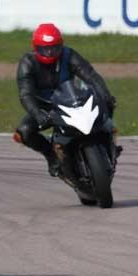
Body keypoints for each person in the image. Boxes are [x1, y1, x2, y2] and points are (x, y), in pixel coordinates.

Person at [15, 23, 117, 176]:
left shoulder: (68, 55)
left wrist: (105, 94)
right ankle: (51, 156)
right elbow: (25, 94)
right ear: (35, 47)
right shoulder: (27, 63)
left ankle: (109, 144)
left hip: (71, 100)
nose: (49, 52)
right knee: (24, 131)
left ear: (61, 45)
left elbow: (90, 75)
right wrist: (37, 113)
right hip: (46, 107)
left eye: (54, 48)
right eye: (45, 49)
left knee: (106, 105)